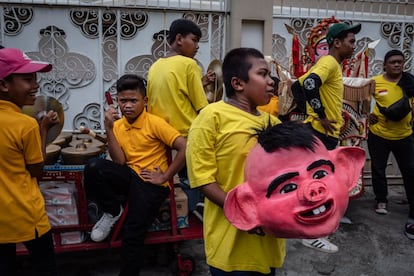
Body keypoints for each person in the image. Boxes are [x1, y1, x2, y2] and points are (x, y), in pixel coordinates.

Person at [186, 47, 286, 275]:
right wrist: (247, 215)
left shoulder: (274, 123)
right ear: (238, 83)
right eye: (263, 74)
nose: (271, 82)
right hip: (230, 247)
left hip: (268, 244)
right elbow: (204, 180)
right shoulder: (211, 117)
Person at [83, 74, 186, 275]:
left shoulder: (155, 123)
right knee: (93, 166)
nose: (127, 106)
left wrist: (165, 177)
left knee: (132, 235)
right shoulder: (119, 125)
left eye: (133, 100)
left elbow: (184, 147)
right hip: (129, 175)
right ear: (117, 100)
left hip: (150, 183)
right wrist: (109, 129)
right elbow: (120, 161)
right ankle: (113, 211)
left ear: (144, 101)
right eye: (123, 101)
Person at [296, 22, 361, 253]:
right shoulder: (329, 62)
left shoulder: (330, 64)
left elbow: (298, 86)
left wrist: (311, 112)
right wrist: (320, 116)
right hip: (321, 133)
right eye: (351, 41)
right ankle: (313, 233)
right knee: (319, 183)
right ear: (336, 42)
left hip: (324, 133)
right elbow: (310, 84)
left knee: (319, 181)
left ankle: (318, 227)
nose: (354, 46)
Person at [0, 47, 59, 275]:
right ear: (4, 85)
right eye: (27, 79)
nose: (35, 85)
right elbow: (37, 169)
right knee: (45, 267)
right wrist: (43, 129)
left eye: (35, 78)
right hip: (25, 213)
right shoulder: (24, 125)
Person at [147, 18, 210, 216]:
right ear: (179, 38)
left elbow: (173, 95)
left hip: (161, 135)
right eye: (195, 40)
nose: (197, 46)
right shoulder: (189, 64)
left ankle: (181, 212)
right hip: (186, 136)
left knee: (176, 182)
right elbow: (202, 107)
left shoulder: (155, 66)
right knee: (193, 179)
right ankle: (192, 212)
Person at [368, 49, 414, 240]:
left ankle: (412, 208)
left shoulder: (410, 82)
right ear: (384, 65)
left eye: (400, 62)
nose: (397, 65)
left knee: (410, 171)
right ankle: (381, 200)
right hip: (379, 134)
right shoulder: (375, 82)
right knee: (378, 168)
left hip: (404, 135)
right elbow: (364, 100)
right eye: (393, 62)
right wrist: (367, 114)